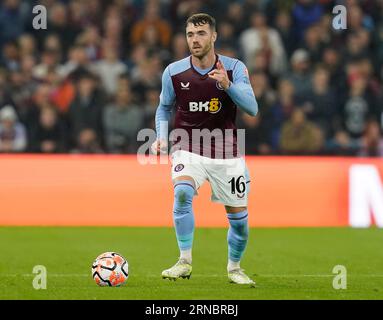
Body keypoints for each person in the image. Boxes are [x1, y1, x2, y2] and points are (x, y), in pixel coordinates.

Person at [151, 13, 258, 286]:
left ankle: (234, 267)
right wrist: (162, 138)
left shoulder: (234, 68)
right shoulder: (173, 72)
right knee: (183, 192)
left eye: (200, 34)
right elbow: (164, 108)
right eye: (190, 35)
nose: (194, 40)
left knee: (240, 224)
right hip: (187, 146)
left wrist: (227, 85)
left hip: (228, 152)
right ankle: (184, 261)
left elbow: (252, 108)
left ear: (213, 36)